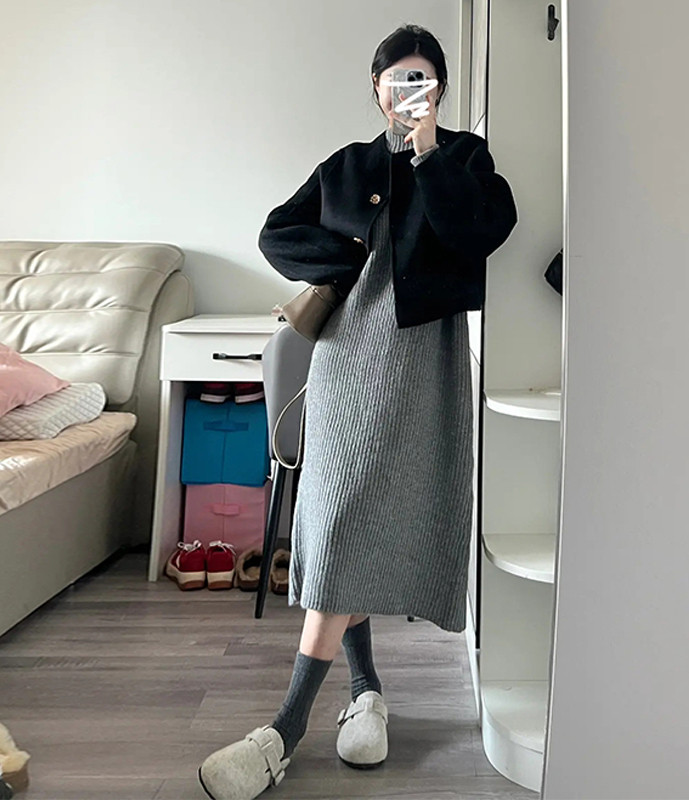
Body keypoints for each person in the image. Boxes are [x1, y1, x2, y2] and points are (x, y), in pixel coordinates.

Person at [198, 24, 517, 800]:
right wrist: (348, 262)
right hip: (346, 359)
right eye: (397, 79)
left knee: (367, 520)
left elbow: (478, 234)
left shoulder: (466, 158)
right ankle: (344, 701)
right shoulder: (346, 167)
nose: (409, 91)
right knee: (340, 517)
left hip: (423, 362)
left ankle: (308, 718)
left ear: (439, 89)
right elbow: (277, 232)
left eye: (423, 79)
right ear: (376, 88)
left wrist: (429, 151)